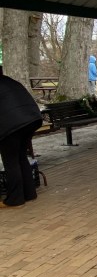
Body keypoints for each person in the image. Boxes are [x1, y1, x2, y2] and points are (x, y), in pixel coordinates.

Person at [0, 66, 43, 209]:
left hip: (12, 125)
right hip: (31, 119)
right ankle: (29, 193)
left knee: (11, 161)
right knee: (21, 157)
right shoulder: (9, 81)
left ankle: (15, 199)